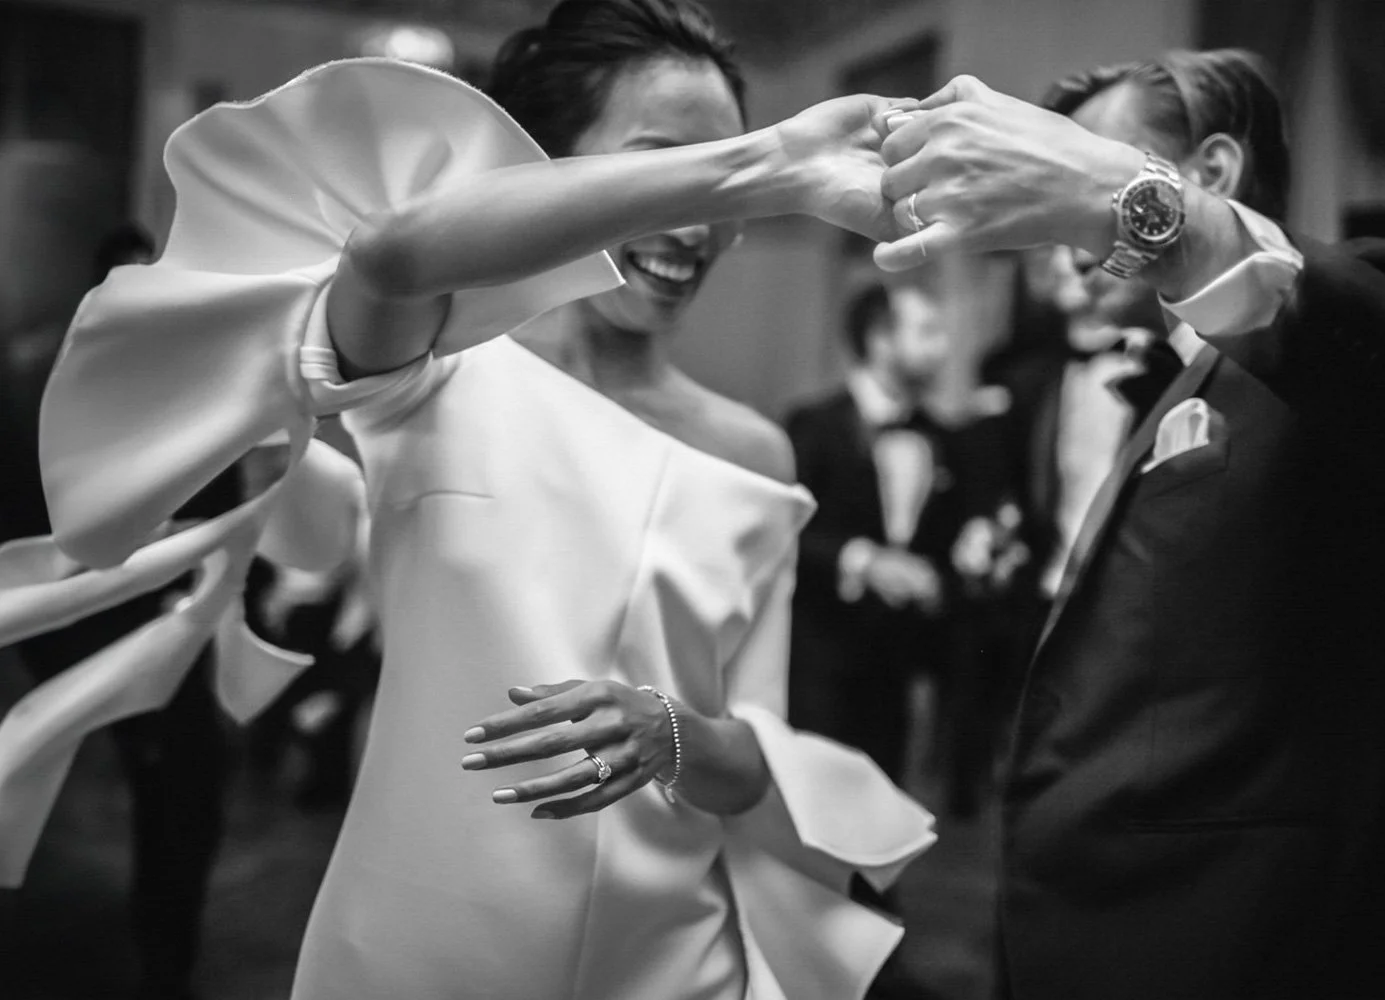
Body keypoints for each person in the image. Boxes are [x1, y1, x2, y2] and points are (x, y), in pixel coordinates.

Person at [1, 2, 936, 998]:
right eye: (667, 163)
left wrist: (669, 730)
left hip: (672, 955)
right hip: (421, 939)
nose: (701, 224)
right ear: (555, 171)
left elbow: (751, 758)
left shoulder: (755, 451)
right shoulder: (433, 374)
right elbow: (388, 254)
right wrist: (765, 165)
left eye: (721, 176)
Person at [872, 49, 1385, 999]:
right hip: (1093, 909)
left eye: (1085, 171)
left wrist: (1136, 205)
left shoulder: (1342, 310)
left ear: (1210, 171)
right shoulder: (1139, 376)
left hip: (1247, 934)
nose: (1062, 236)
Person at [0, 223, 232, 1000]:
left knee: (183, 788)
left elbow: (222, 508)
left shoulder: (197, 382)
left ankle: (168, 959)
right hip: (77, 622)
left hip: (159, 623)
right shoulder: (40, 377)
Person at [785, 282, 963, 785]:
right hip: (820, 660)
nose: (943, 347)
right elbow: (781, 532)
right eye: (927, 331)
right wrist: (862, 561)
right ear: (880, 340)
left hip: (900, 669)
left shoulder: (943, 436)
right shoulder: (813, 426)